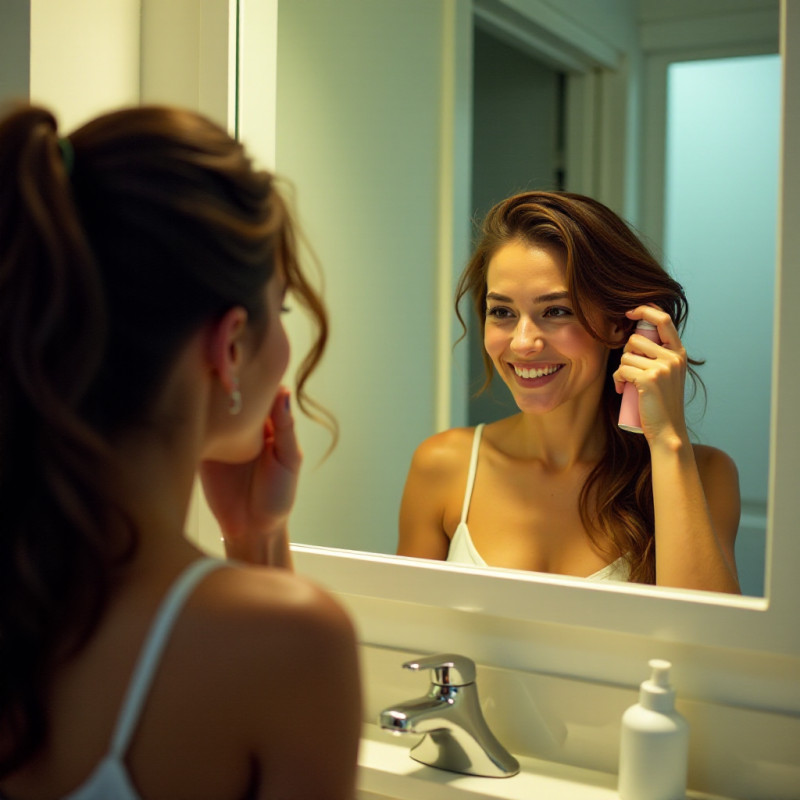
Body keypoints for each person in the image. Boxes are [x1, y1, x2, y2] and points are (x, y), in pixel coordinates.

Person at [0, 103, 361, 799]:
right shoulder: (292, 643)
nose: (284, 347)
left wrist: (253, 536)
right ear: (229, 346)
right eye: (279, 310)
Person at [398, 191, 741, 594]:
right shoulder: (444, 466)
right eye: (503, 312)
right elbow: (406, 640)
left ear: (619, 325)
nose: (523, 343)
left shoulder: (704, 475)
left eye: (557, 311)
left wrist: (667, 441)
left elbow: (708, 646)